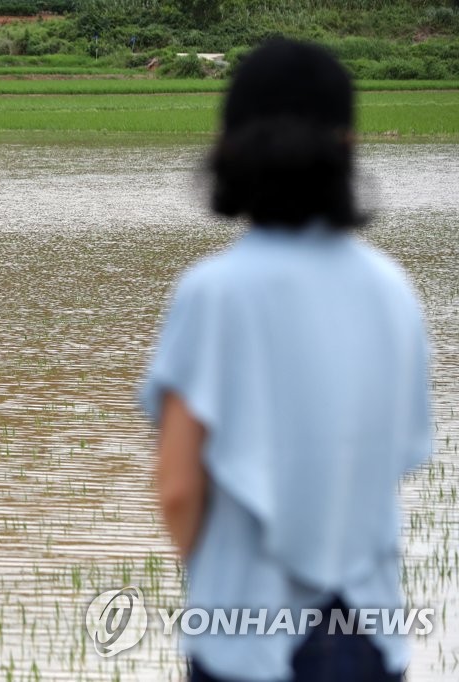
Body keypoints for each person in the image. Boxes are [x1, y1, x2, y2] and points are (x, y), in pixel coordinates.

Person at [140, 39, 433, 682]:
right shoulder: (391, 289)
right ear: (347, 148)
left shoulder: (214, 292)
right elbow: (395, 460)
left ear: (229, 149)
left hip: (246, 639)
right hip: (368, 633)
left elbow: (179, 486)